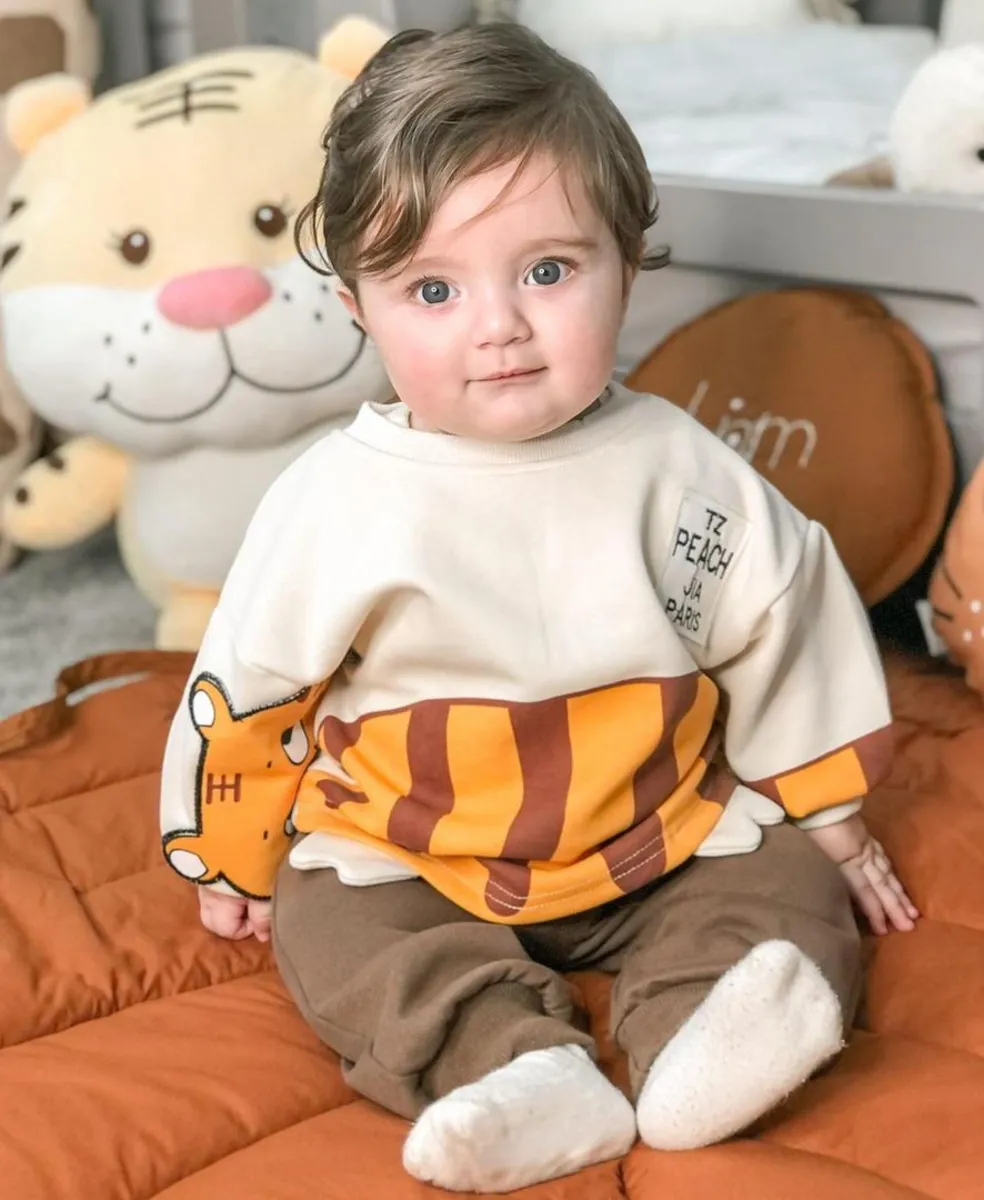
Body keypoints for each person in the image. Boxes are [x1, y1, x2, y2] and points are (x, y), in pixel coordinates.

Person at [160, 22, 918, 1194]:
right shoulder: (336, 501)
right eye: (432, 289)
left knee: (783, 889)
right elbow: (251, 684)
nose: (500, 325)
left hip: (659, 829)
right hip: (411, 850)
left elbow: (786, 620)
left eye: (549, 271)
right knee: (340, 931)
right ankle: (512, 1068)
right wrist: (228, 857)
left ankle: (709, 1038)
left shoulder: (678, 469)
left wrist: (835, 822)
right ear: (360, 309)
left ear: (628, 260)